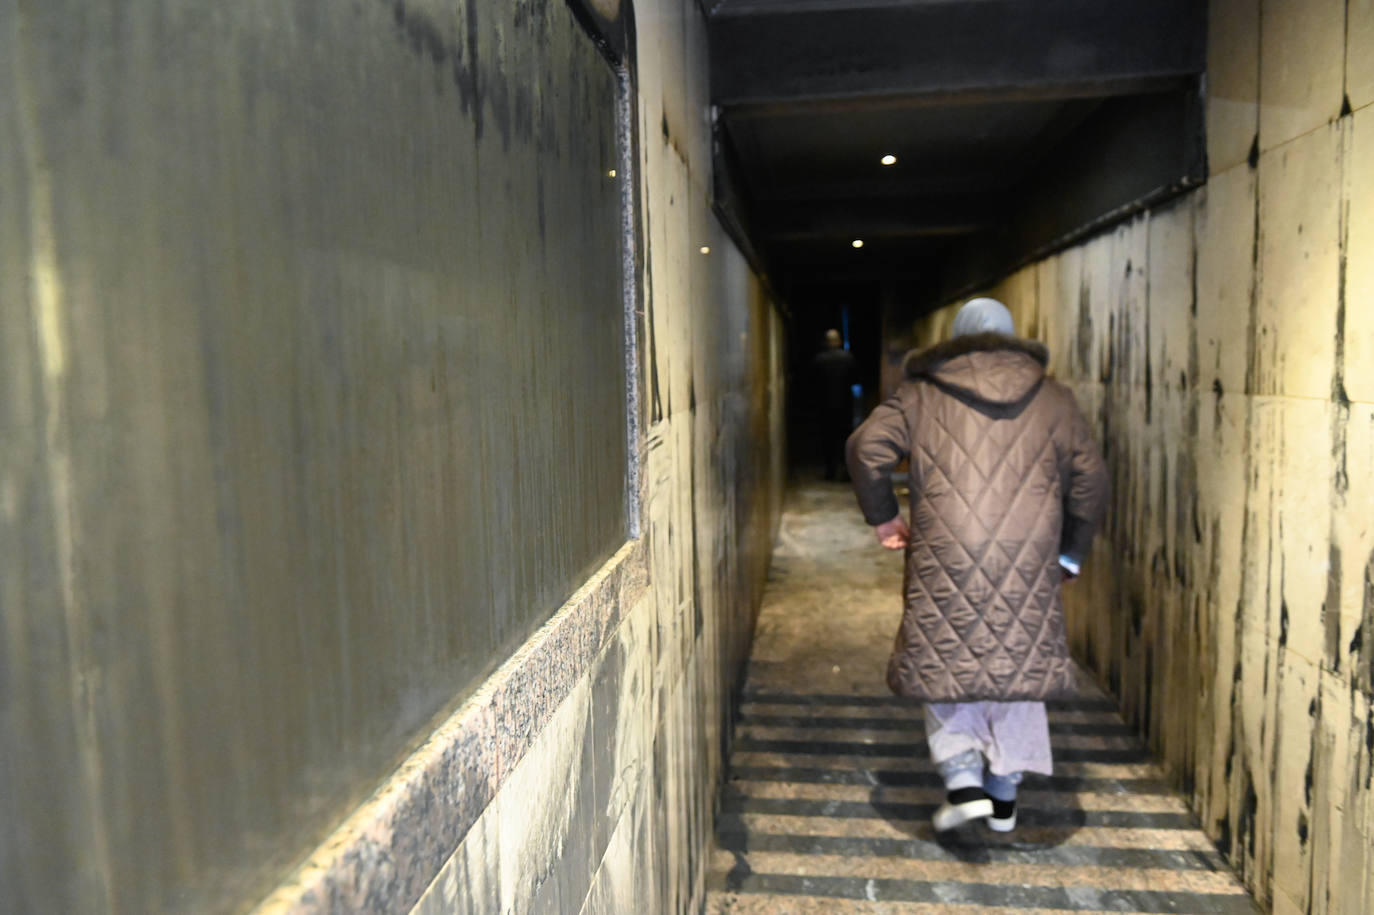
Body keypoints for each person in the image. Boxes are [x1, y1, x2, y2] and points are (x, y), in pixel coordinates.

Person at [845, 297, 1108, 833]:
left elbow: (866, 445)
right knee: (1019, 671)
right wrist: (1070, 552)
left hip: (946, 556)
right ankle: (1005, 797)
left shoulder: (920, 394)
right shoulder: (1054, 399)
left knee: (947, 663)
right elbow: (1091, 478)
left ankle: (963, 780)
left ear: (955, 340)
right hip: (1028, 559)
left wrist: (884, 517)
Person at [811, 328, 857, 480]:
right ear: (838, 341)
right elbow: (855, 380)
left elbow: (814, 384)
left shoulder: (819, 359)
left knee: (828, 439)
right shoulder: (848, 358)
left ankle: (830, 472)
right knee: (845, 440)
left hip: (825, 406)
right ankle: (846, 472)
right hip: (845, 406)